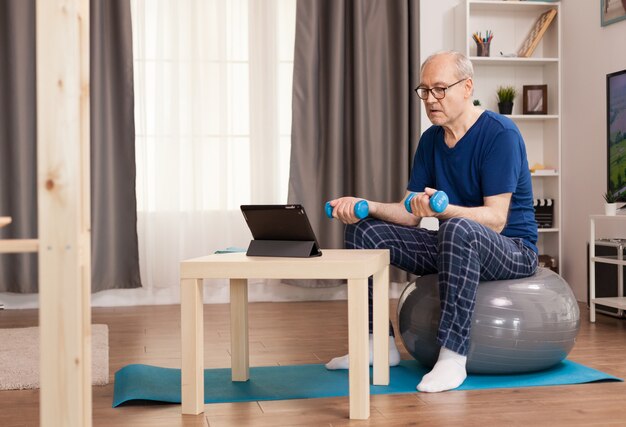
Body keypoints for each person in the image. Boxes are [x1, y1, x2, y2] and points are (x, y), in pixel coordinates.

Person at [324, 50, 538, 393]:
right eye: (424, 90)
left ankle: (453, 357)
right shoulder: (431, 140)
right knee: (364, 231)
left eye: (440, 89)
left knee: (456, 227)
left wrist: (442, 211)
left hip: (513, 249)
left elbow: (496, 220)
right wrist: (366, 205)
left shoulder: (501, 134)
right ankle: (376, 343)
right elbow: (410, 213)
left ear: (466, 87)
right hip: (455, 244)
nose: (430, 99)